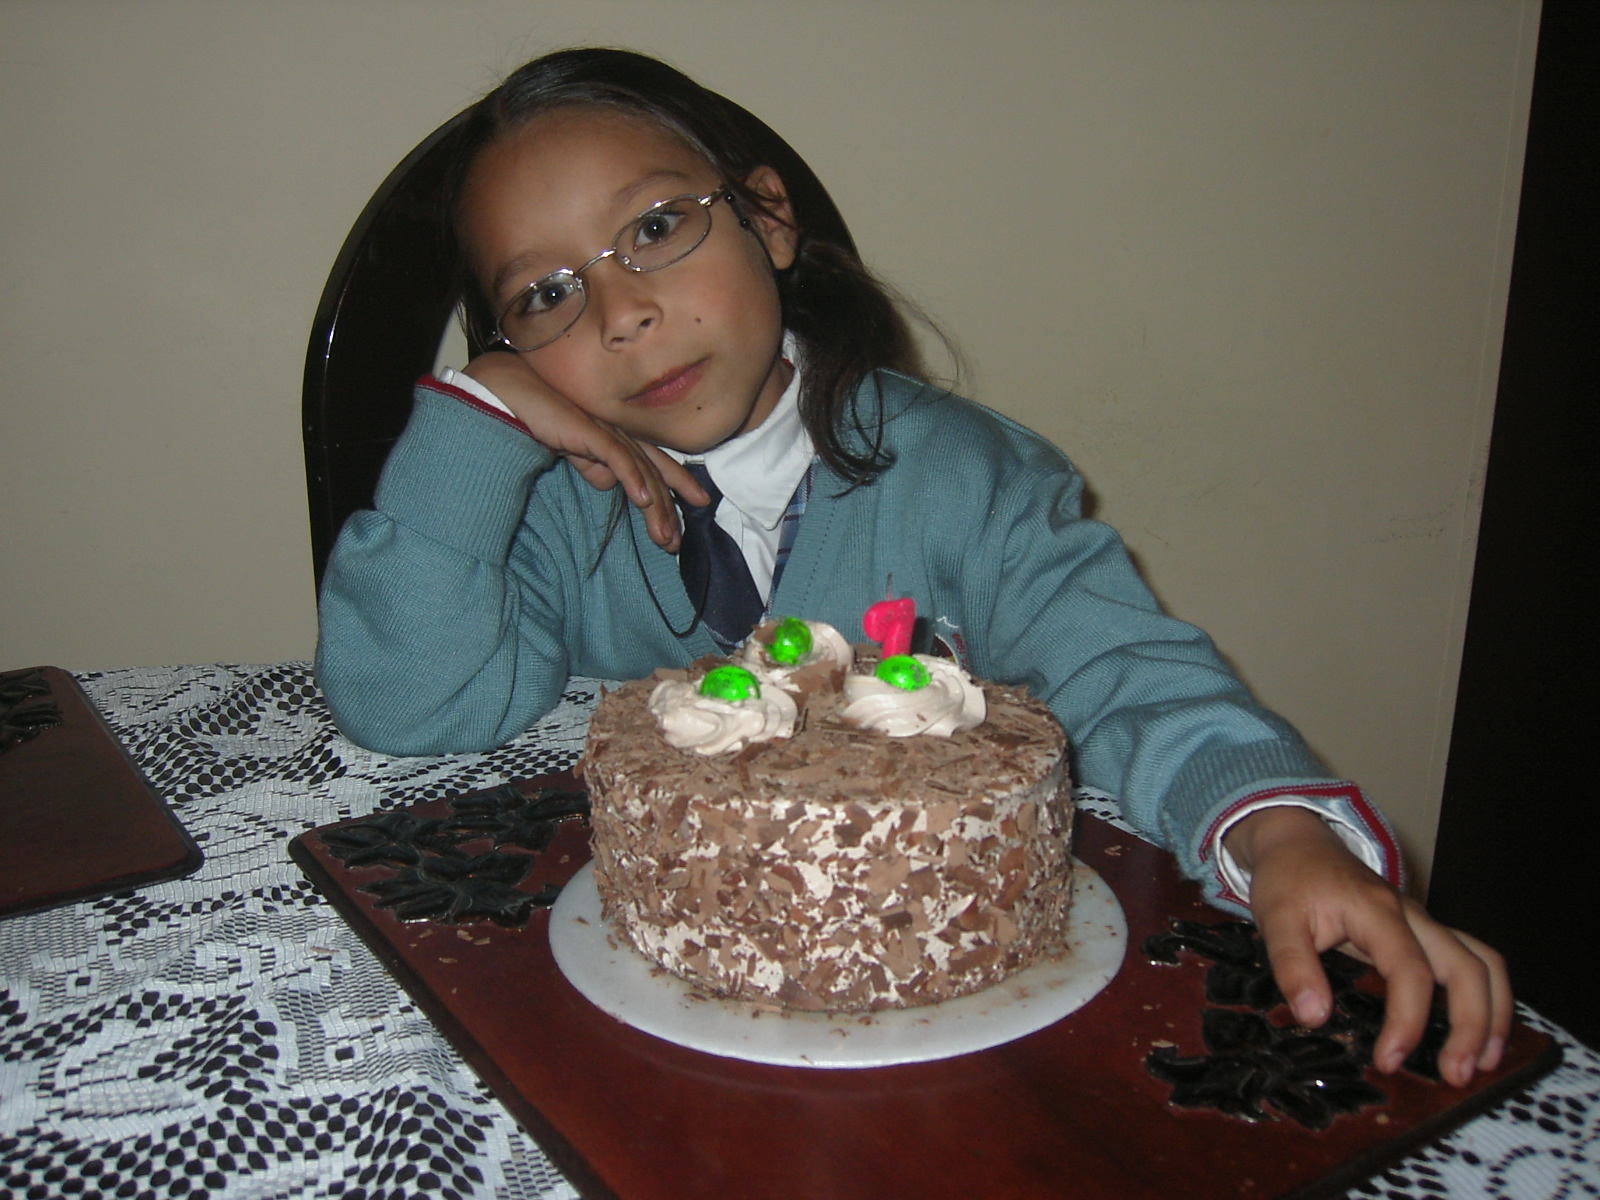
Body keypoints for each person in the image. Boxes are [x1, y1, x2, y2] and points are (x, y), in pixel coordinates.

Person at [315, 47, 1510, 1087]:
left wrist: (1283, 834)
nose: (621, 312)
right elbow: (411, 706)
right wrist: (471, 430)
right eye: (548, 296)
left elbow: (1126, 668)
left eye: (657, 227)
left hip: (951, 1025)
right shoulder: (546, 515)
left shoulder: (966, 483)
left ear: (769, 219)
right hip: (629, 1024)